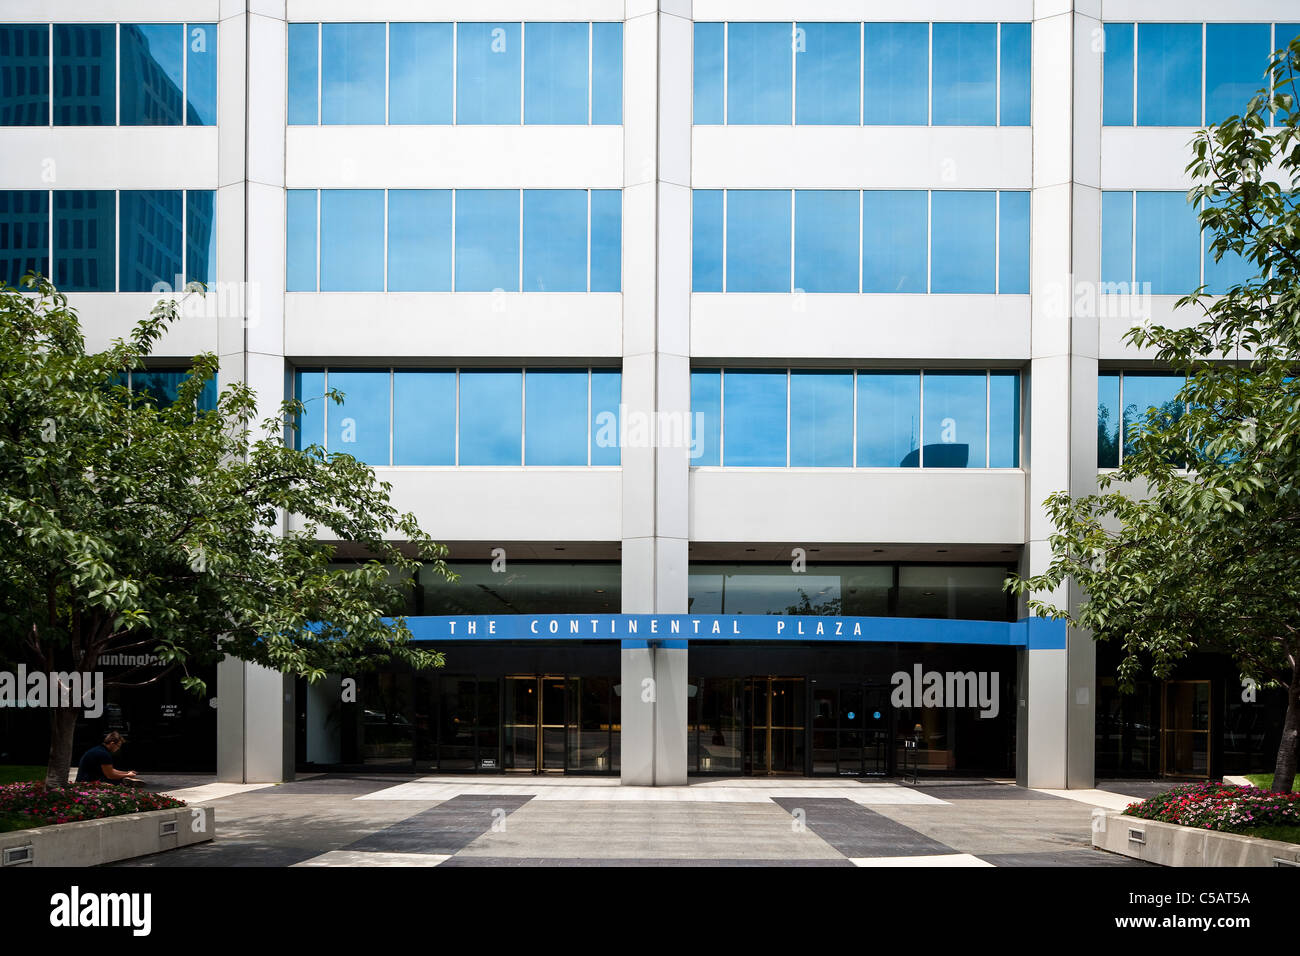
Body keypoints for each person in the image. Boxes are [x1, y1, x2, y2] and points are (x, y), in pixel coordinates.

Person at [75, 732, 139, 785]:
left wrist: (126, 773)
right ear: (112, 743)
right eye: (118, 746)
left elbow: (110, 770)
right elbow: (110, 775)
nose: (118, 749)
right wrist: (127, 775)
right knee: (122, 784)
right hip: (87, 783)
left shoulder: (99, 749)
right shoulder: (104, 754)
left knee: (122, 780)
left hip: (84, 780)